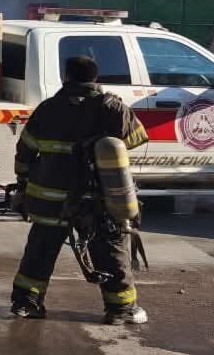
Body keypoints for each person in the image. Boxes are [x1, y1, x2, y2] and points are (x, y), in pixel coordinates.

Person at [9, 55, 151, 325]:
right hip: (96, 200)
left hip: (50, 200)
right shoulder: (113, 107)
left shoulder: (48, 108)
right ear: (95, 78)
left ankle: (26, 303)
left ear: (67, 77)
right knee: (109, 251)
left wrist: (23, 182)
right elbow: (135, 139)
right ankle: (120, 309)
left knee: (40, 250)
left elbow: (24, 151)